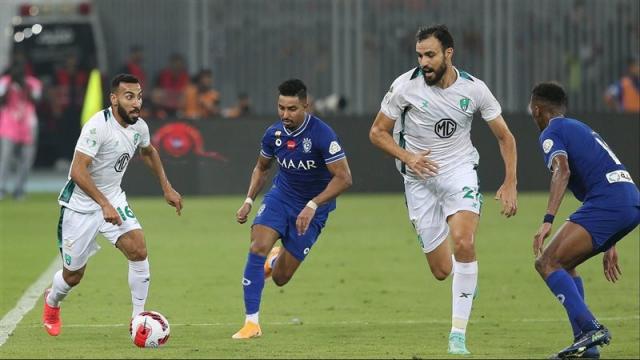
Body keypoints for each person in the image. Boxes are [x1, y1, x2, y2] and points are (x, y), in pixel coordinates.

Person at [369, 24, 518, 355]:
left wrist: (510, 182)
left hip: (459, 171)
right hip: (417, 178)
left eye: (431, 55)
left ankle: (457, 336)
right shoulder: (404, 87)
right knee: (441, 271)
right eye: (420, 55)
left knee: (464, 242)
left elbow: (505, 136)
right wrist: (408, 157)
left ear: (449, 54)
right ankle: (466, 280)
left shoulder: (475, 89)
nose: (424, 62)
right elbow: (377, 132)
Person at [42, 74, 183, 337]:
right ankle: (52, 301)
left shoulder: (139, 127)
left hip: (113, 198)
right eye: (129, 96)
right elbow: (77, 171)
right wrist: (103, 204)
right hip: (80, 206)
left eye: (139, 96)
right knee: (73, 276)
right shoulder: (97, 127)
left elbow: (148, 151)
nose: (136, 103)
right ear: (114, 98)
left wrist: (166, 187)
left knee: (138, 250)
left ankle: (137, 319)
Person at [232, 79, 352, 339]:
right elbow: (262, 168)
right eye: (281, 108)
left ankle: (275, 261)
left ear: (306, 106)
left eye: (292, 109)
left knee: (281, 277)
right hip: (280, 199)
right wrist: (249, 200)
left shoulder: (323, 135)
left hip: (313, 210)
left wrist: (313, 204)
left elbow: (344, 178)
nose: (285, 115)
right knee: (256, 247)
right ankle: (251, 323)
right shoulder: (273, 134)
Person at [529, 82, 639, 358]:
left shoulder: (551, 132)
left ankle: (590, 330)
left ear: (537, 109)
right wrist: (609, 243)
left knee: (547, 262)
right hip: (627, 200)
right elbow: (600, 174)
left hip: (609, 203)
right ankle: (586, 346)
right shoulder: (579, 127)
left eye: (533, 109)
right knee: (564, 265)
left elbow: (562, 171)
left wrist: (547, 219)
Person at [0, 58, 42, 200]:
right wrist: (10, 85)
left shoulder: (33, 83)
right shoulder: (5, 82)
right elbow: (1, 101)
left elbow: (37, 101)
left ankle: (19, 189)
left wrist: (24, 87)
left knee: (26, 160)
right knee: (5, 158)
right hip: (9, 125)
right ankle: (2, 188)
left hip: (28, 125)